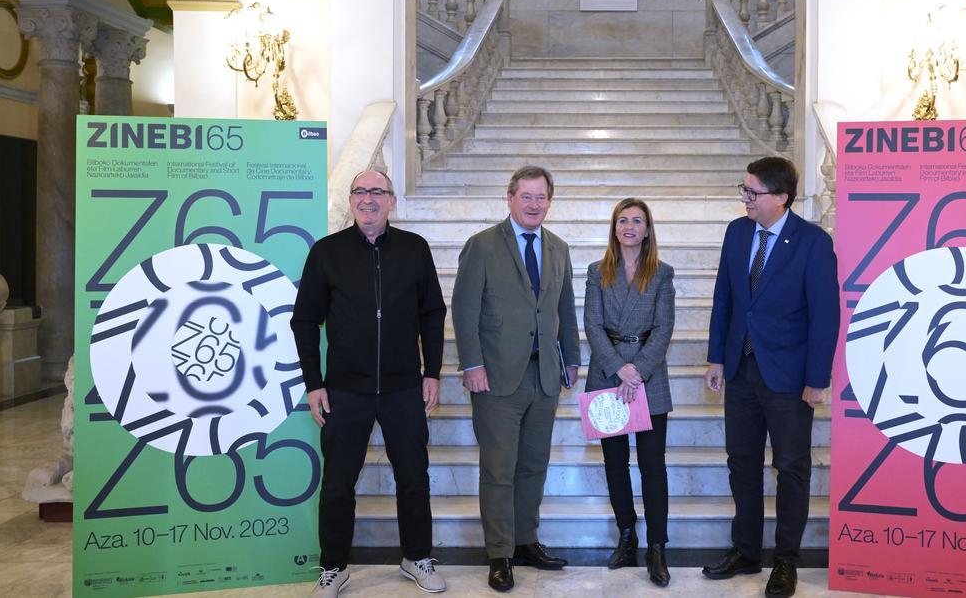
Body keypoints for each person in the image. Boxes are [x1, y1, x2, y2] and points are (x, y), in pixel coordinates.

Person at [290, 170, 447, 596]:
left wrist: (431, 371)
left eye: (377, 191)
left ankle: (416, 557)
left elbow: (433, 313)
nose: (368, 199)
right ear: (351, 200)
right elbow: (304, 320)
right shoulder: (327, 252)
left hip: (402, 389)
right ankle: (333, 566)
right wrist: (314, 382)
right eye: (360, 191)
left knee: (414, 477)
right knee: (339, 482)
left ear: (392, 201)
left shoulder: (415, 249)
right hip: (344, 389)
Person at [701, 157, 839, 597]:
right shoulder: (736, 232)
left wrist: (818, 378)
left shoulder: (813, 242)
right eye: (743, 190)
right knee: (741, 464)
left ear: (781, 197)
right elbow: (725, 296)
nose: (745, 198)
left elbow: (825, 315)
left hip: (789, 377)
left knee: (792, 469)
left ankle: (785, 561)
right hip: (740, 369)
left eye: (752, 192)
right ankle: (745, 552)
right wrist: (716, 358)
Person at [451, 165, 582, 592]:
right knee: (498, 469)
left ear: (550, 201)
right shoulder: (482, 245)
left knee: (533, 467)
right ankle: (500, 552)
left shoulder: (558, 248)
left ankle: (526, 540)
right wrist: (472, 365)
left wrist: (573, 359)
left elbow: (564, 310)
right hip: (496, 380)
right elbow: (465, 310)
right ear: (509, 198)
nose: (533, 204)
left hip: (544, 377)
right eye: (525, 196)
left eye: (541, 197)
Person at [583, 198, 676, 587]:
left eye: (637, 220)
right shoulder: (597, 271)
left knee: (653, 467)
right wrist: (617, 367)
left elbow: (664, 327)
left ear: (648, 229)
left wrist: (636, 370)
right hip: (607, 377)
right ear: (614, 227)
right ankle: (627, 536)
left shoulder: (662, 273)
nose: (630, 227)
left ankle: (657, 546)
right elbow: (592, 323)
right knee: (615, 465)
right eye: (623, 220)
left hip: (647, 378)